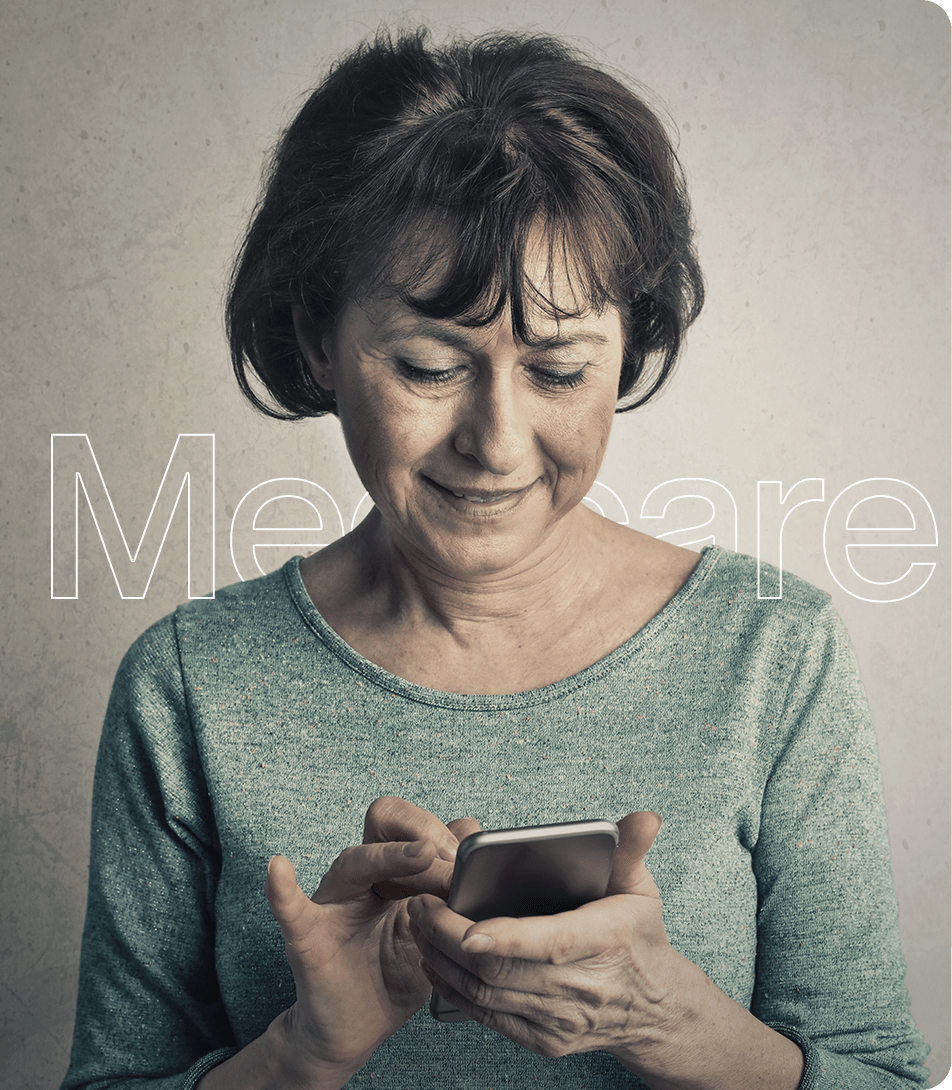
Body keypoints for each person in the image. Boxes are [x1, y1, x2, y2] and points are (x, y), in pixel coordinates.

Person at [61, 28, 929, 1090]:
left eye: (559, 370)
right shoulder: (188, 687)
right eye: (431, 366)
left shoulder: (774, 653)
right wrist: (301, 1052)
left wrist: (669, 1021)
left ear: (630, 347)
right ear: (317, 338)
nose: (498, 442)